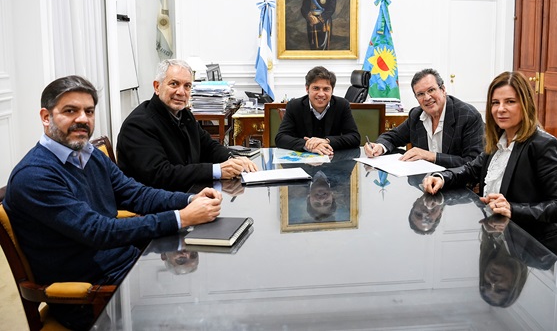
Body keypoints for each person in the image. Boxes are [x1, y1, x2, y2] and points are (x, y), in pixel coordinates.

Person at [3, 75, 223, 330]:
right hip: (91, 297)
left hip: (127, 267)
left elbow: (137, 194)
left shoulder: (89, 154)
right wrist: (181, 218)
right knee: (198, 317)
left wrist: (190, 199)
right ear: (45, 117)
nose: (83, 119)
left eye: (89, 111)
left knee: (209, 290)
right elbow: (98, 231)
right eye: (70, 111)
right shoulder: (35, 176)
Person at [422, 71, 557, 272]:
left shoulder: (544, 145)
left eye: (510, 102)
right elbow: (470, 169)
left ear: (525, 104)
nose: (500, 109)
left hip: (541, 257)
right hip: (504, 244)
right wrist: (441, 177)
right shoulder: (499, 141)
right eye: (495, 103)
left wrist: (513, 209)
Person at [117, 59, 257, 192]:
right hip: (156, 203)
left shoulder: (184, 114)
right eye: (174, 84)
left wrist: (233, 159)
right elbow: (161, 175)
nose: (181, 92)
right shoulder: (138, 125)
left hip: (186, 193)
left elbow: (208, 146)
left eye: (187, 86)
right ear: (157, 87)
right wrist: (216, 170)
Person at [364, 68, 484, 168]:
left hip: (457, 184)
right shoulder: (416, 115)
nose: (427, 98)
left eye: (431, 90)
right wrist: (379, 147)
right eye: (420, 94)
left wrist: (430, 156)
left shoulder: (468, 116)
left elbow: (473, 162)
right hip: (423, 182)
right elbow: (392, 137)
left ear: (443, 90)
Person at [275, 66, 360, 155]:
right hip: (303, 161)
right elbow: (281, 138)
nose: (321, 94)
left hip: (333, 159)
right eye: (316, 88)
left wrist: (326, 141)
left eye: (326, 89)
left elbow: (354, 137)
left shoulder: (342, 105)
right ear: (307, 89)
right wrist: (308, 145)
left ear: (332, 90)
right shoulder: (294, 106)